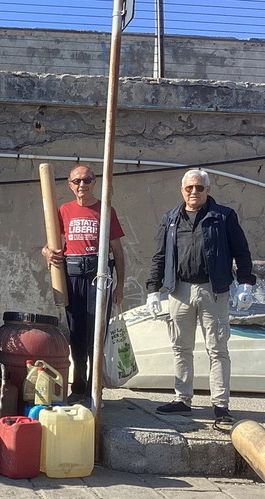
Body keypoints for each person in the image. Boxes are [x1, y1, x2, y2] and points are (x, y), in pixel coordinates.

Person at [146, 168, 255, 422]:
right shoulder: (171, 219)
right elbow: (159, 256)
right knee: (180, 347)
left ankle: (220, 405)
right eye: (189, 188)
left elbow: (241, 250)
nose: (194, 192)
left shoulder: (224, 217)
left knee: (217, 349)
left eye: (199, 187)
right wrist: (153, 289)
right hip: (179, 290)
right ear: (182, 190)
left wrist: (246, 283)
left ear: (208, 189)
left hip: (213, 289)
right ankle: (182, 399)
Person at [42, 165, 126, 404]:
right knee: (76, 333)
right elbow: (50, 244)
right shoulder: (63, 210)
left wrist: (120, 286)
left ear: (94, 182)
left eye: (86, 180)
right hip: (73, 274)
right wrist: (46, 253)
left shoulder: (106, 210)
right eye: (77, 181)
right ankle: (78, 386)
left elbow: (118, 252)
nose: (82, 185)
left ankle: (93, 388)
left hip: (99, 275)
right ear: (70, 184)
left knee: (96, 334)